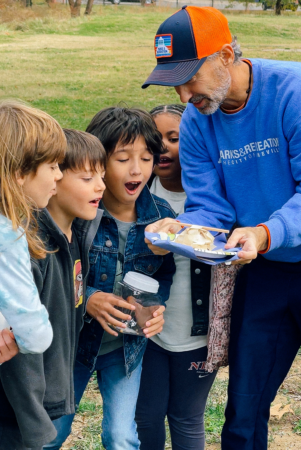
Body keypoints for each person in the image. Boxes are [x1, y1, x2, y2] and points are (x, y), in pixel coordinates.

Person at [142, 6, 301, 449]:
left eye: (190, 78)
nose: (184, 96)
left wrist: (264, 231)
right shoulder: (201, 120)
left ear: (226, 55)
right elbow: (210, 208)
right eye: (173, 84)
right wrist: (177, 231)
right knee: (243, 409)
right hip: (263, 269)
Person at [45, 106, 176, 450]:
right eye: (122, 159)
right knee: (52, 433)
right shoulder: (80, 213)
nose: (137, 169)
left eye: (146, 158)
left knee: (121, 437)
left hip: (125, 348)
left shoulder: (161, 219)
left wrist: (154, 306)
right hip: (73, 346)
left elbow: (164, 274)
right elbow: (55, 273)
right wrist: (88, 297)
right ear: (97, 164)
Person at [0, 129, 106, 450]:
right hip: (22, 411)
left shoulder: (79, 233)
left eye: (101, 175)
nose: (101, 185)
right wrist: (34, 419)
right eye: (87, 177)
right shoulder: (29, 246)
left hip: (48, 395)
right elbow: (23, 345)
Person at [135, 104, 217, 450]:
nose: (164, 147)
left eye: (174, 138)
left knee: (186, 416)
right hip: (149, 331)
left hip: (196, 334)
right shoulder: (137, 193)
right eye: (156, 139)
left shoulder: (215, 199)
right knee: (146, 416)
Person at [0, 99, 66, 447]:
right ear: (19, 174)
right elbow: (35, 335)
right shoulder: (10, 235)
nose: (59, 174)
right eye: (52, 165)